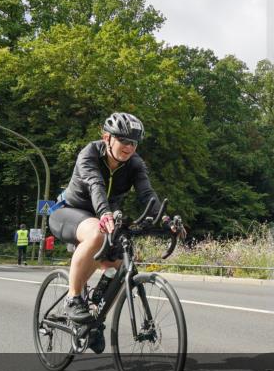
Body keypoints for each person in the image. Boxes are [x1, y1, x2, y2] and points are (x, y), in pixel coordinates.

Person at [48, 112, 182, 328]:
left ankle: (95, 321)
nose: (129, 147)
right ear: (106, 137)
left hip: (106, 219)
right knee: (98, 233)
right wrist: (104, 213)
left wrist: (166, 220)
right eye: (123, 140)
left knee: (121, 265)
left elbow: (147, 194)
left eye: (134, 143)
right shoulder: (89, 154)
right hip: (69, 212)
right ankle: (72, 298)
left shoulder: (135, 164)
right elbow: (95, 184)